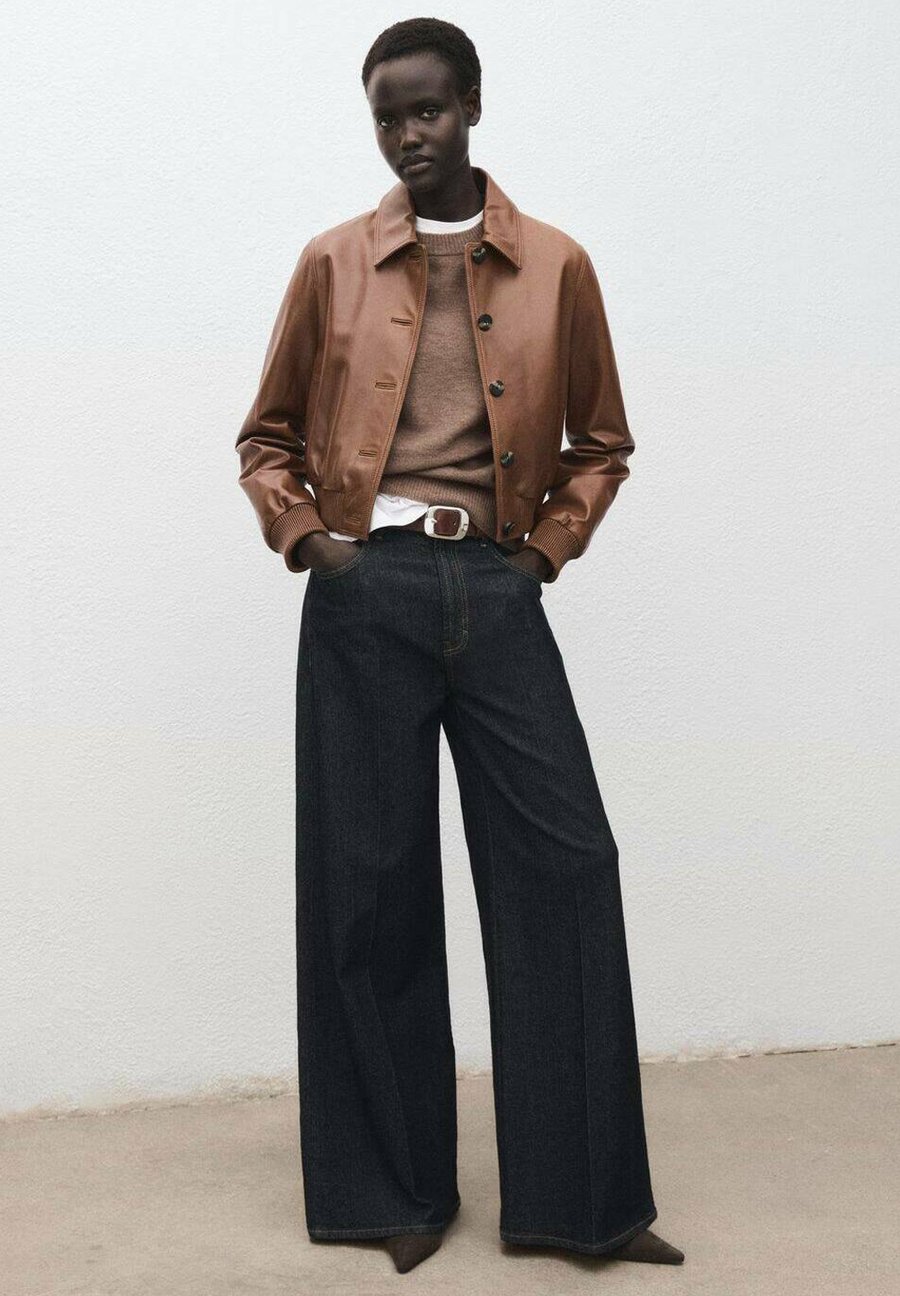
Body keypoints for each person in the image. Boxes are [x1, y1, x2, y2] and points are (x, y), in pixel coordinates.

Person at [236, 16, 684, 1275]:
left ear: (474, 105)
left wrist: (541, 556)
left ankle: (585, 1204)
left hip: (495, 584)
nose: (407, 134)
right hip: (364, 590)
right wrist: (310, 541)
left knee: (567, 867)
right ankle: (393, 1195)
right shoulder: (332, 262)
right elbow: (266, 436)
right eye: (386, 116)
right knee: (369, 888)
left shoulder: (556, 265)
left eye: (427, 109)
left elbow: (602, 443)